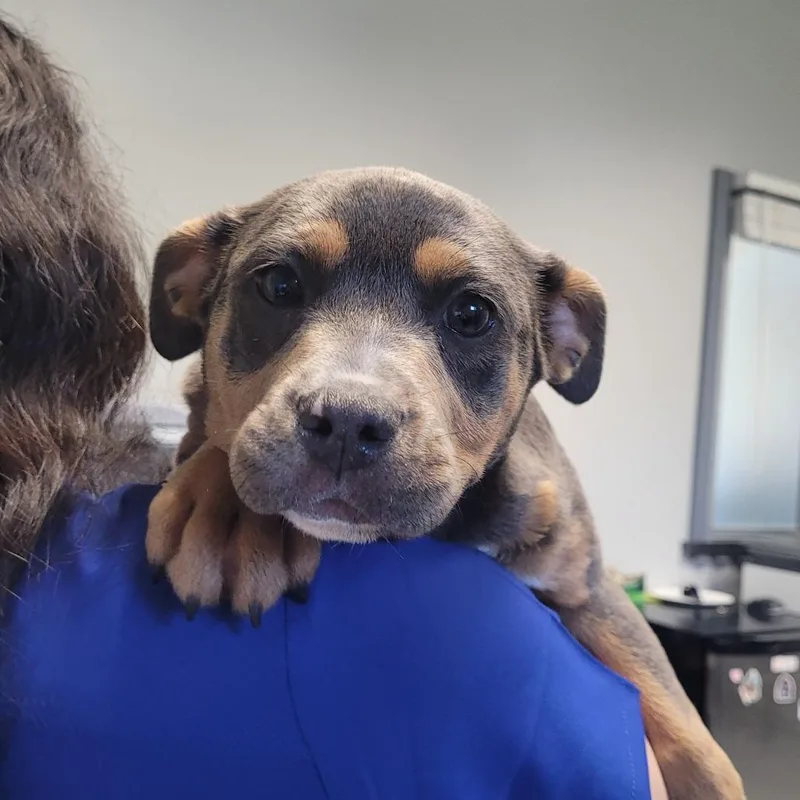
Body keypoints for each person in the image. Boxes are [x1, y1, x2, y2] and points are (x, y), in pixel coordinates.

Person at [0, 16, 667, 799]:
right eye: (281, 287)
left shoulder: (531, 508)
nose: (352, 395)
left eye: (471, 317)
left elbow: (591, 601)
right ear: (190, 295)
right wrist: (219, 459)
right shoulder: (491, 657)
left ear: (561, 345)